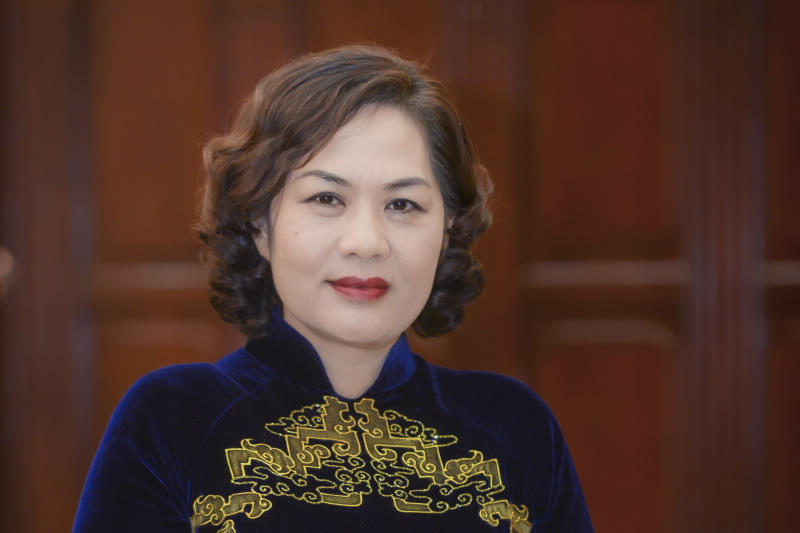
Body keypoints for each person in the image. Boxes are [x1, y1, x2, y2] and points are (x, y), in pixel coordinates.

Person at [74, 45, 593, 532]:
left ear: (446, 232)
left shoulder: (516, 425)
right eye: (326, 198)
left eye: (402, 205)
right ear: (260, 224)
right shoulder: (170, 418)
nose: (366, 243)